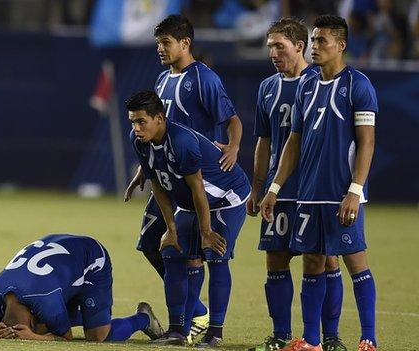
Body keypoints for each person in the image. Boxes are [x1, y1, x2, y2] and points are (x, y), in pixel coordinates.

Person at [259, 15, 378, 351]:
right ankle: (311, 341)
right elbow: (292, 143)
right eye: (313, 41)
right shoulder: (307, 87)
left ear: (340, 45)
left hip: (341, 193)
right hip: (308, 196)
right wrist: (274, 189)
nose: (315, 47)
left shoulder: (358, 85)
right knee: (312, 261)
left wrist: (355, 190)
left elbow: (367, 142)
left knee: (355, 262)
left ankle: (368, 338)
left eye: (322, 41)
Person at [124, 14, 243, 344]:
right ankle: (195, 313)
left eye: (165, 43)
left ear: (185, 43)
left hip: (198, 176)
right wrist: (143, 170)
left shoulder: (204, 79)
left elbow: (231, 119)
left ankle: (196, 320)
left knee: (192, 252)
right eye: (158, 43)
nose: (160, 49)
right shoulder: (162, 81)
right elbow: (153, 130)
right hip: (170, 174)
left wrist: (232, 147)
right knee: (153, 243)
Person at [247, 18, 347, 351]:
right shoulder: (267, 87)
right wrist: (258, 187)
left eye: (280, 46)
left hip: (314, 190)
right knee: (275, 257)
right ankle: (280, 336)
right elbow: (263, 140)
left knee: (324, 260)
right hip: (279, 191)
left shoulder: (319, 81)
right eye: (270, 47)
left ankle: (328, 337)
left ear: (300, 46)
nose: (273, 53)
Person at [0, 233, 164, 342]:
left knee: (97, 336)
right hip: (60, 262)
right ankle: (91, 315)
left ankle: (143, 319)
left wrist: (35, 337)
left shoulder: (45, 301)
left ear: (32, 318)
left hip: (91, 258)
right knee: (51, 321)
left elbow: (65, 337)